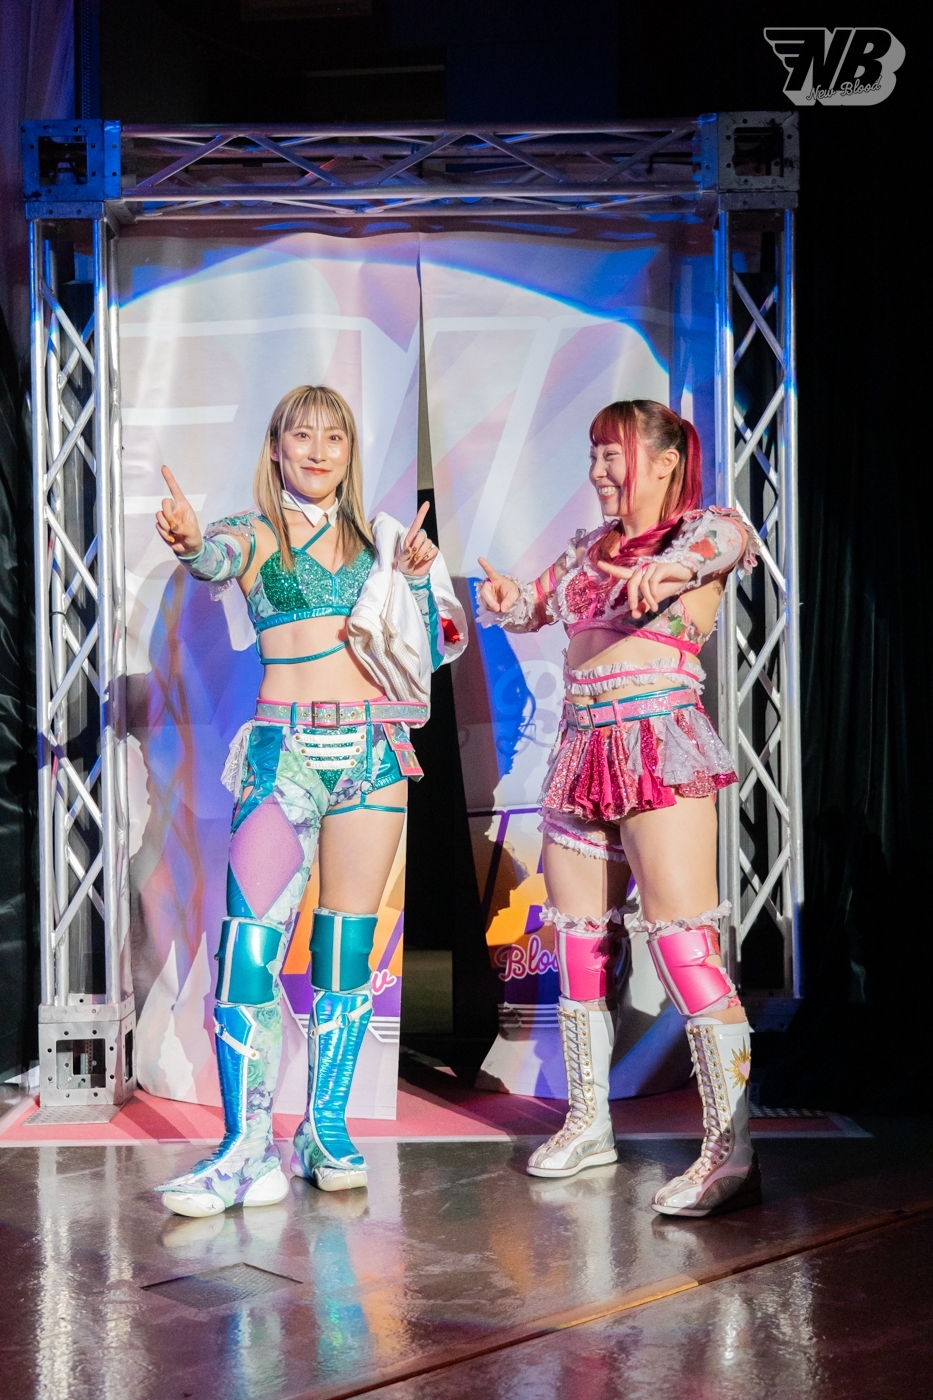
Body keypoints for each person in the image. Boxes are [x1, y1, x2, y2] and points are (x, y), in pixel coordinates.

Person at [152, 384, 466, 1218]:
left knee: (348, 946)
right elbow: (212, 559)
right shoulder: (253, 533)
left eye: (334, 437)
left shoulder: (382, 541)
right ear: (276, 447)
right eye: (303, 435)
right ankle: (244, 1150)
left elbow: (432, 649)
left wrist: (420, 581)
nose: (319, 451)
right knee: (249, 947)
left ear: (349, 452)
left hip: (372, 754)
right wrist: (190, 543)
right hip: (282, 754)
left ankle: (324, 1129)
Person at [479, 399, 761, 1217]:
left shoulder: (701, 532)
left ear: (666, 461)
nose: (598, 470)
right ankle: (587, 1123)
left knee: (683, 946)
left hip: (656, 744)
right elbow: (531, 606)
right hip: (581, 749)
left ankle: (730, 1150)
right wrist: (504, 597)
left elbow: (726, 543)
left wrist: (672, 571)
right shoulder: (587, 549)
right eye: (594, 454)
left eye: (613, 454)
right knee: (576, 947)